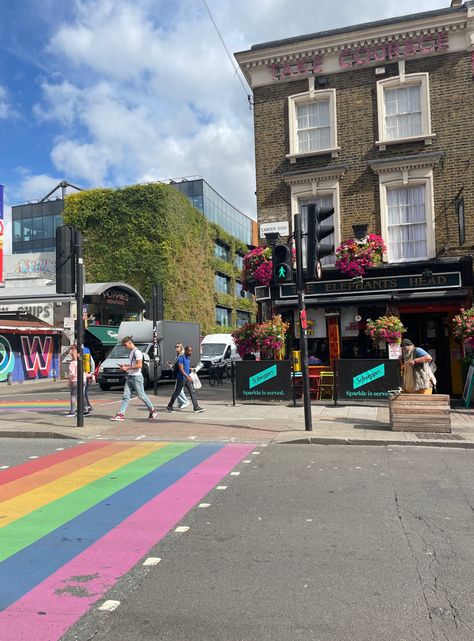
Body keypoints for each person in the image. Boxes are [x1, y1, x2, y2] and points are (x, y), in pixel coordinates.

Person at [111, 336, 158, 421]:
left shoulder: (137, 352)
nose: (125, 347)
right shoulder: (132, 352)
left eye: (125, 345)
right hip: (130, 376)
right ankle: (121, 414)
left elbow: (139, 365)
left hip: (136, 377)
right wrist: (126, 366)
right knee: (126, 396)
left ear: (130, 342)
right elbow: (134, 364)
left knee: (141, 395)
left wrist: (127, 368)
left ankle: (152, 410)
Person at [167, 345, 204, 413]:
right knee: (177, 392)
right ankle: (169, 406)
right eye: (190, 351)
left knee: (192, 391)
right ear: (186, 351)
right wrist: (187, 377)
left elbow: (186, 368)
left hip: (187, 378)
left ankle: (196, 407)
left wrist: (191, 369)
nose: (191, 352)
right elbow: (181, 369)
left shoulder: (187, 358)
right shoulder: (181, 358)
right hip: (181, 378)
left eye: (191, 351)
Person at [64, 346, 86, 417]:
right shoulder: (81, 362)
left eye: (71, 354)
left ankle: (72, 411)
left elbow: (72, 374)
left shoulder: (72, 363)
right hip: (82, 380)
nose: (71, 356)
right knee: (81, 395)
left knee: (73, 396)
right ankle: (85, 409)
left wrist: (68, 378)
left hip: (75, 381)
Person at [167, 343, 190, 409]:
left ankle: (184, 401)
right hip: (180, 375)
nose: (176, 348)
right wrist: (172, 366)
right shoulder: (178, 356)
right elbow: (177, 367)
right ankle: (180, 402)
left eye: (178, 347)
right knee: (178, 390)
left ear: (181, 348)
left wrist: (186, 375)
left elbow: (182, 367)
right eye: (175, 346)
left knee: (178, 390)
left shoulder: (181, 356)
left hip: (182, 376)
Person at [82, 345, 95, 415]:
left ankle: (86, 408)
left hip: (84, 375)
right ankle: (88, 406)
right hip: (88, 374)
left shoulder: (83, 356)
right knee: (84, 392)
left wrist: (91, 374)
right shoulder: (88, 356)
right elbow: (92, 363)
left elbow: (92, 363)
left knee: (82, 392)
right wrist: (92, 373)